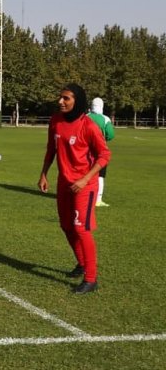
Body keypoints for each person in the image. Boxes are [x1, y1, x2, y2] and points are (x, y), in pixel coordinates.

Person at [38, 84, 111, 294]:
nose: (60, 101)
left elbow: (104, 155)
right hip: (64, 183)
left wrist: (85, 179)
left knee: (81, 229)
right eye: (60, 97)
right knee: (66, 226)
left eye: (66, 98)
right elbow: (51, 149)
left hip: (85, 185)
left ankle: (91, 279)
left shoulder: (88, 125)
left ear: (77, 101)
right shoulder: (55, 121)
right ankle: (82, 263)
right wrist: (44, 173)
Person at [87, 97, 115, 207]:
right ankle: (98, 200)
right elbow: (110, 135)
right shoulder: (105, 119)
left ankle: (82, 195)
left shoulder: (85, 117)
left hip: (84, 151)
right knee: (100, 176)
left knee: (84, 173)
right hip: (100, 151)